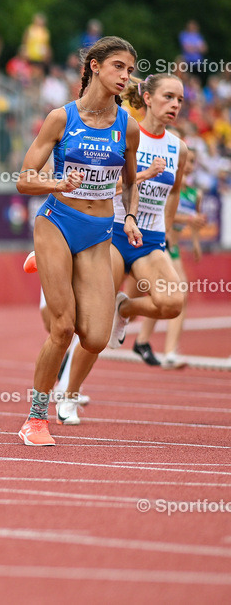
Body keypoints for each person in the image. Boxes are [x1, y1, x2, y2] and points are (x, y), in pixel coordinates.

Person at [15, 36, 141, 446]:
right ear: (94, 66)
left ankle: (52, 264)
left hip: (98, 232)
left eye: (130, 69)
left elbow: (129, 182)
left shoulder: (128, 126)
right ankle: (35, 418)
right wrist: (56, 181)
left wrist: (133, 216)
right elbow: (23, 179)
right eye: (118, 66)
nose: (125, 76)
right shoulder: (60, 118)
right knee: (63, 327)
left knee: (97, 338)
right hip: (58, 220)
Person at [56, 73, 189, 424]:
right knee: (95, 325)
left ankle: (125, 307)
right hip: (113, 232)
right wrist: (144, 176)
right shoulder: (127, 132)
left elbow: (174, 190)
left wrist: (169, 229)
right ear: (147, 97)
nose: (175, 105)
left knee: (173, 302)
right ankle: (68, 394)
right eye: (169, 97)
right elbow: (108, 182)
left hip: (150, 239)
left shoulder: (179, 148)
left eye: (180, 100)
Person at [135, 147, 206, 369]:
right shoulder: (169, 185)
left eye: (194, 162)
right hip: (157, 242)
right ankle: (145, 339)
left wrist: (194, 243)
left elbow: (194, 221)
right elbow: (167, 214)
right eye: (189, 161)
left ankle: (165, 349)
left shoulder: (196, 194)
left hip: (173, 248)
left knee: (175, 297)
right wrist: (186, 220)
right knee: (170, 294)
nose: (191, 166)